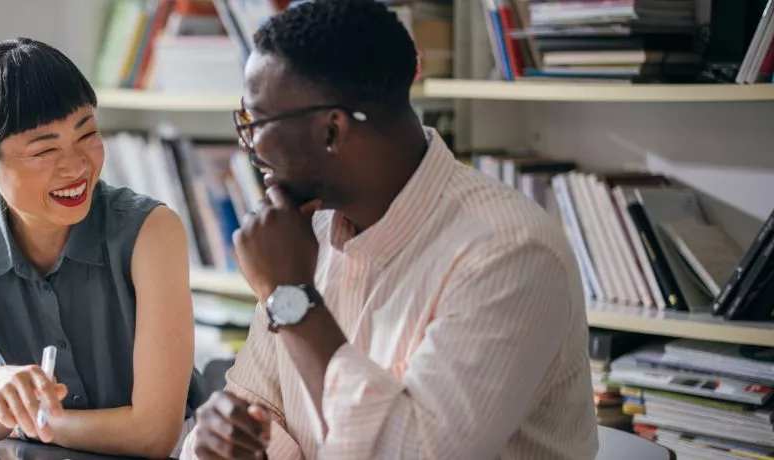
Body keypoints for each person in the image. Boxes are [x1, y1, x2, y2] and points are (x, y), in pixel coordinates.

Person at [182, 1, 598, 459]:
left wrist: (292, 299)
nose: (249, 145)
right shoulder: (304, 233)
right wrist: (222, 437)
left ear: (332, 131)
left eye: (255, 122)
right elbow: (258, 410)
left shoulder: (508, 254)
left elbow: (409, 452)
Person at [0, 37, 205, 458]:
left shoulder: (151, 230)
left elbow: (154, 434)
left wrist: (33, 423)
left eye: (87, 133)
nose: (76, 166)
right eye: (44, 150)